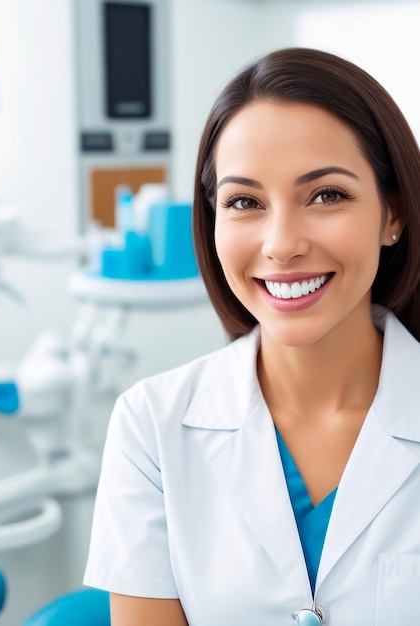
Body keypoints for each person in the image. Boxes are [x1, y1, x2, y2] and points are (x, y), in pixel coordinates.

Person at [83, 47, 420, 625]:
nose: (281, 244)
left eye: (327, 195)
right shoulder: (152, 426)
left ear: (392, 214)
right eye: (245, 202)